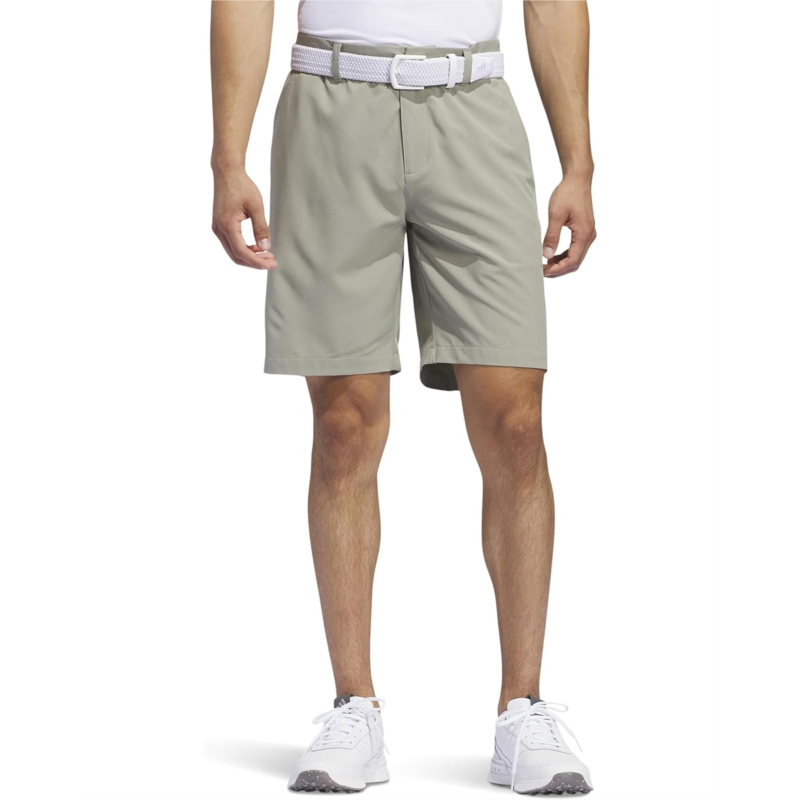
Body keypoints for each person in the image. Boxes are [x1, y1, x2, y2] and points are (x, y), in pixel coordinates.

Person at [210, 0, 597, 794]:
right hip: (329, 108)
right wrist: (227, 156)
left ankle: (522, 710)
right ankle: (354, 707)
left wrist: (579, 164)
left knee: (516, 421)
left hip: (474, 108)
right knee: (344, 425)